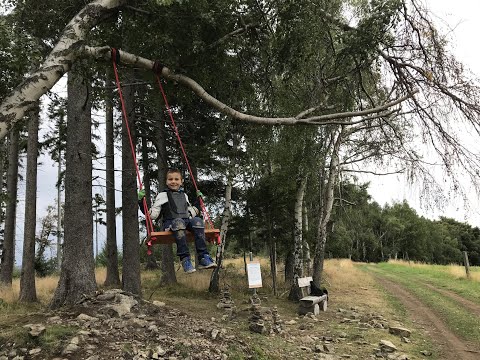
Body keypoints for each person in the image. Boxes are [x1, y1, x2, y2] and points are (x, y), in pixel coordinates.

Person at [138, 168, 217, 273]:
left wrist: (198, 202)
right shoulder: (162, 195)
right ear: (166, 181)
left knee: (198, 221)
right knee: (179, 222)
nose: (173, 181)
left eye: (176, 179)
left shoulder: (184, 195)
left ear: (181, 181)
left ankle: (203, 257)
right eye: (170, 179)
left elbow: (190, 212)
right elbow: (152, 215)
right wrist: (141, 202)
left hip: (186, 221)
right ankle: (185, 259)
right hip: (171, 223)